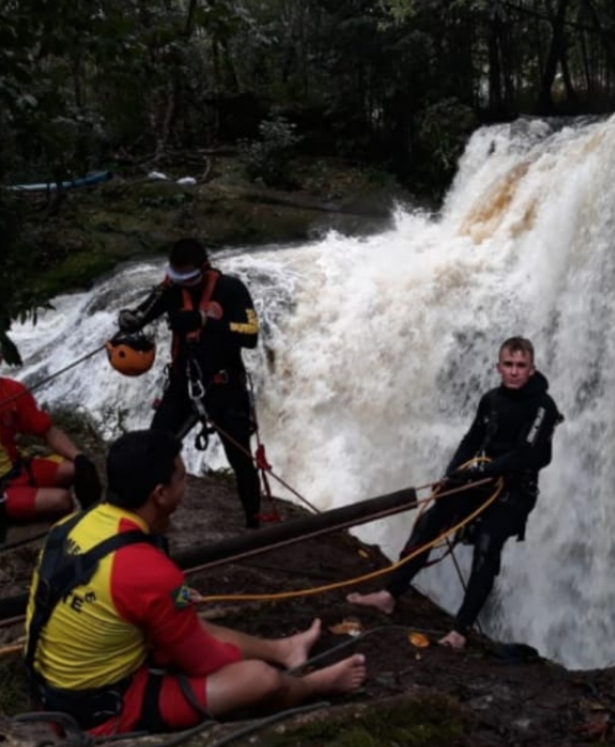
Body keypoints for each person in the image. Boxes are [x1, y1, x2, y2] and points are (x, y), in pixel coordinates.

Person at [24, 429, 367, 735]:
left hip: (52, 685)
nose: (185, 486)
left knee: (182, 618)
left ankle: (284, 649)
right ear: (160, 493)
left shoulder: (70, 525)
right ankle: (313, 684)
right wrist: (237, 661)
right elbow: (207, 663)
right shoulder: (146, 571)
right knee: (259, 678)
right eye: (183, 479)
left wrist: (178, 609)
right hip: (102, 710)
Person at [347, 336, 562, 650]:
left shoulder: (542, 405)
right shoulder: (491, 400)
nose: (514, 372)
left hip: (514, 491)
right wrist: (451, 476)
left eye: (520, 366)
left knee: (487, 546)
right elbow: (471, 440)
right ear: (498, 367)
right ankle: (389, 595)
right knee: (430, 522)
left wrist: (477, 472)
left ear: (532, 369)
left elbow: (525, 454)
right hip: (479, 481)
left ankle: (459, 631)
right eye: (508, 365)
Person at [117, 238, 263, 528]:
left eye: (189, 277)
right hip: (184, 385)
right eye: (177, 276)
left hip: (225, 387)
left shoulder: (230, 289)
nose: (184, 283)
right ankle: (147, 520)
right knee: (156, 447)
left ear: (204, 268)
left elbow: (251, 334)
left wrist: (204, 321)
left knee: (241, 459)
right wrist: (129, 321)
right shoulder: (172, 290)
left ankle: (254, 522)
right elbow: (143, 313)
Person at [0, 361, 102, 532]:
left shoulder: (9, 391)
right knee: (61, 500)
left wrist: (78, 456)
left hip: (17, 471)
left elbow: (47, 430)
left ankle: (95, 521)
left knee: (77, 469)